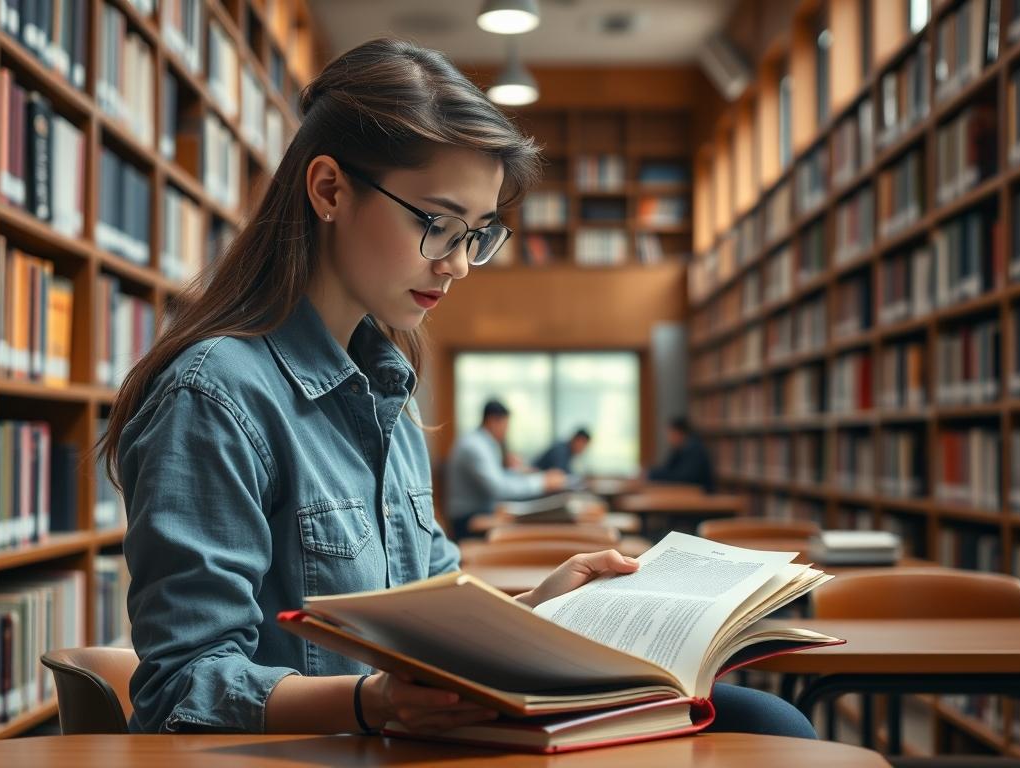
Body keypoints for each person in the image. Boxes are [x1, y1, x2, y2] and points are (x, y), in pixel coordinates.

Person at [101, 38, 814, 740]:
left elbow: (429, 624)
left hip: (408, 743)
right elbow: (178, 688)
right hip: (332, 751)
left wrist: (540, 609)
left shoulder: (388, 393)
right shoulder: (216, 396)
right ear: (329, 189)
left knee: (762, 722)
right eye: (437, 225)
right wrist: (370, 705)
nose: (459, 266)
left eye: (477, 234)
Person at [444, 400, 570, 540]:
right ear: (493, 421)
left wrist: (524, 474)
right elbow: (498, 488)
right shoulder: (474, 446)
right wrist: (541, 482)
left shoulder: (484, 443)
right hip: (468, 519)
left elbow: (499, 478)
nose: (506, 431)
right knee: (539, 526)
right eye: (505, 425)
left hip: (484, 511)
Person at [648, 416, 715, 492]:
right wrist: (651, 473)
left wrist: (652, 475)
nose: (668, 438)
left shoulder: (694, 450)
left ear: (679, 433)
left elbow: (683, 478)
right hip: (687, 493)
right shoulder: (679, 449)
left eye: (670, 434)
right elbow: (667, 468)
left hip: (699, 496)